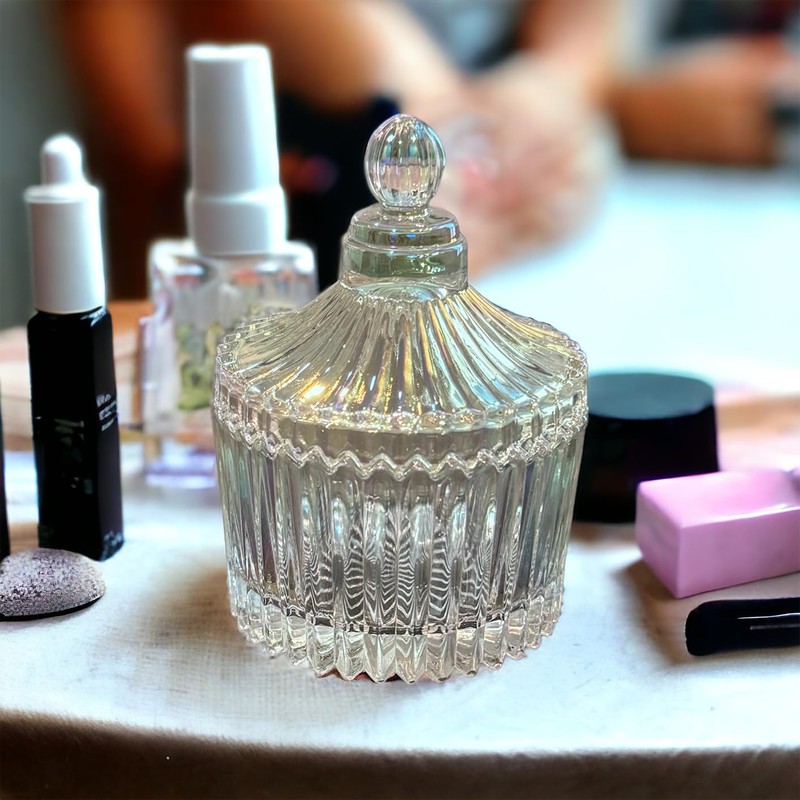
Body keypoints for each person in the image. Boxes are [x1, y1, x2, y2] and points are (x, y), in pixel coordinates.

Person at [57, 0, 622, 297]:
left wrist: (549, 91)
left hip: (484, 158)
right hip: (324, 170)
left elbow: (581, 41)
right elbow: (143, 136)